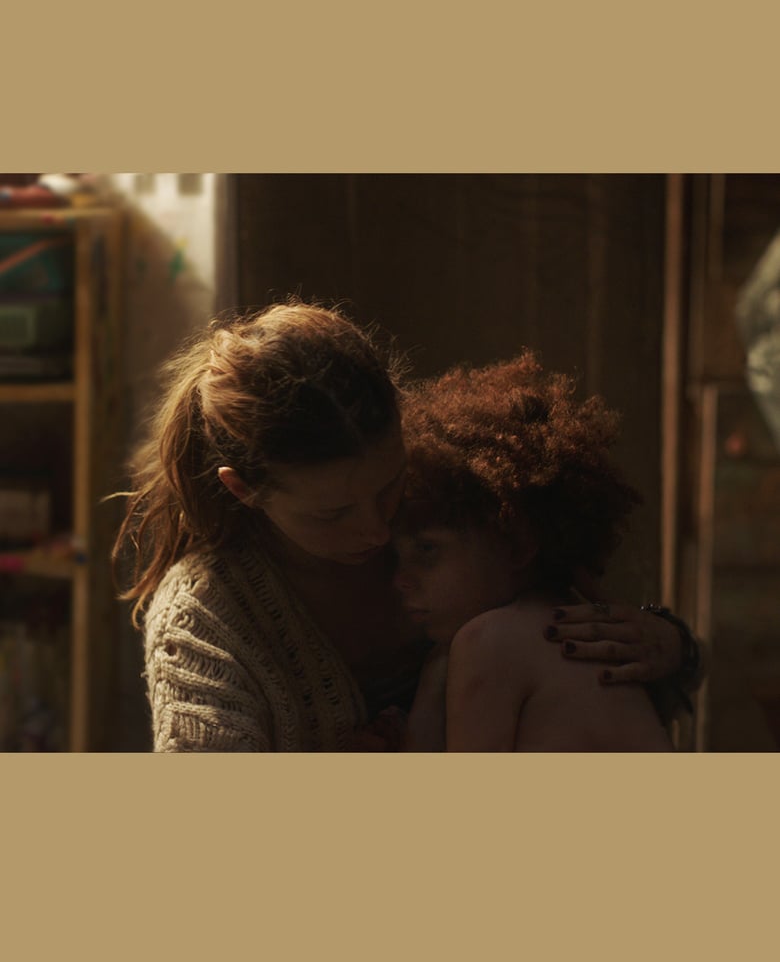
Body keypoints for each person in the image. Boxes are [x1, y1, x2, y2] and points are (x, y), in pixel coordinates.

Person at [112, 301, 697, 752]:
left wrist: (670, 647)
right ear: (242, 489)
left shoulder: (456, 508)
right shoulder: (204, 621)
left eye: (389, 485)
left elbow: (592, 688)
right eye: (333, 514)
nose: (377, 531)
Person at [394, 352, 676, 751]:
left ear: (517, 544)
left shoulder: (489, 640)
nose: (400, 580)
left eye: (427, 550)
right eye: (397, 556)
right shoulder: (575, 626)